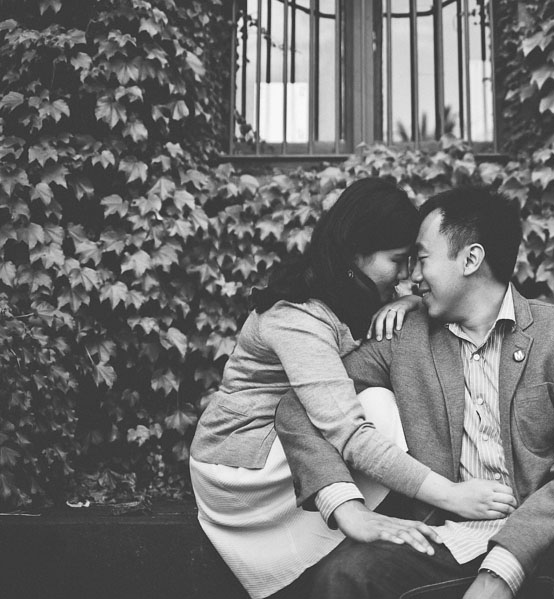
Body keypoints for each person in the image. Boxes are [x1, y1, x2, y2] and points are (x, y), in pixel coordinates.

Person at [279, 186, 554, 598]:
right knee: (344, 575)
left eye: (421, 260)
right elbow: (300, 408)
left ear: (471, 259)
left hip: (545, 537)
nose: (412, 278)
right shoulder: (403, 339)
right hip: (444, 541)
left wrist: (501, 570)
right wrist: (345, 506)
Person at [189, 178, 517, 599]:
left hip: (298, 441)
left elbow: (423, 299)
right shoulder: (297, 316)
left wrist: (411, 303)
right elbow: (345, 427)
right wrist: (450, 495)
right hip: (243, 462)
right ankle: (368, 520)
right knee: (379, 405)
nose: (408, 276)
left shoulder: (354, 292)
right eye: (398, 261)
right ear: (354, 252)